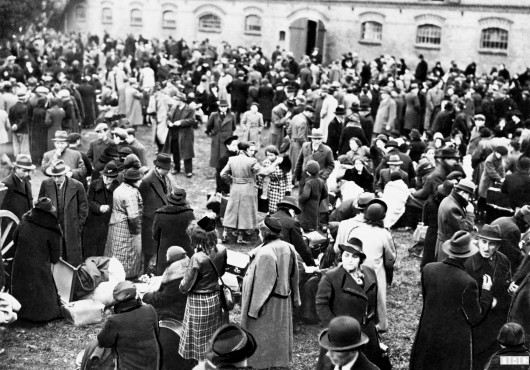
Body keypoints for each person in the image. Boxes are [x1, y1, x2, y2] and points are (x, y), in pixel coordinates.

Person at [410, 231, 494, 370]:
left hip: (427, 332)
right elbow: (475, 318)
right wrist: (486, 293)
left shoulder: (428, 269)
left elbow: (428, 299)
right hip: (452, 341)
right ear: (468, 255)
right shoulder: (468, 282)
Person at [240, 216, 301, 369]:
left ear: (264, 233)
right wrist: (296, 297)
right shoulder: (287, 247)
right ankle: (276, 362)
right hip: (282, 300)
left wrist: (253, 310)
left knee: (262, 334)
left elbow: (264, 286)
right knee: (278, 334)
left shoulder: (266, 253)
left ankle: (262, 363)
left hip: (267, 304)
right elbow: (295, 274)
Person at [316, 238, 386, 369]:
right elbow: (321, 305)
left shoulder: (369, 272)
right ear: (341, 256)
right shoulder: (331, 277)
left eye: (354, 256)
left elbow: (373, 299)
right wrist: (334, 329)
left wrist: (374, 322)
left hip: (367, 331)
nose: (349, 259)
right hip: (343, 334)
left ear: (360, 259)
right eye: (346, 255)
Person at [179, 217, 228, 363]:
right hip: (215, 297)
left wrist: (181, 284)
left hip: (198, 301)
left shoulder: (197, 257)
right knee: (211, 335)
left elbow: (185, 285)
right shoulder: (222, 250)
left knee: (197, 338)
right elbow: (223, 271)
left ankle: (201, 364)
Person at [464, 224, 512, 369]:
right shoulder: (468, 263)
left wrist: (508, 290)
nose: (486, 248)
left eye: (491, 244)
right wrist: (485, 297)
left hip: (497, 320)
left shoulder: (503, 260)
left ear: (497, 246)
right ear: (477, 241)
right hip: (477, 322)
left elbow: (505, 284)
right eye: (483, 242)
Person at [142, 246, 195, 370]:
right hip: (183, 305)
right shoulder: (185, 266)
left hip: (176, 311)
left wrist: (147, 296)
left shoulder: (177, 276)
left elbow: (163, 298)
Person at [10, 198, 62, 322]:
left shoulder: (24, 221)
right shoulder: (53, 228)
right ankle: (41, 316)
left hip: (20, 267)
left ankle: (21, 312)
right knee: (42, 286)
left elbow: (14, 239)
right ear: (50, 211)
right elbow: (55, 258)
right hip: (39, 270)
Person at [349, 200, 396, 332]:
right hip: (374, 269)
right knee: (379, 294)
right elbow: (390, 258)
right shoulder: (384, 234)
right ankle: (381, 324)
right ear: (383, 217)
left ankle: (354, 322)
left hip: (356, 268)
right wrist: (389, 271)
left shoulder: (356, 230)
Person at [97, 281, 160, 370]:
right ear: (135, 296)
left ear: (116, 301)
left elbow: (103, 342)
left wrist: (108, 320)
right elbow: (156, 332)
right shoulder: (150, 309)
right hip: (153, 366)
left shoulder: (115, 320)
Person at [39, 160, 88, 266]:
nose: (56, 179)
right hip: (52, 225)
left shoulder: (77, 185)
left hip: (71, 226)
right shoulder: (46, 184)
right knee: (54, 253)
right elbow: (40, 204)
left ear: (65, 174)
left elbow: (83, 206)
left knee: (71, 255)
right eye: (54, 176)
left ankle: (72, 277)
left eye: (59, 176)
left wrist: (78, 224)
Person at [105, 168, 144, 279]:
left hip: (115, 223)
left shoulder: (119, 188)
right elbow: (133, 217)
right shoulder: (130, 194)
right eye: (139, 180)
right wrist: (137, 234)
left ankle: (112, 273)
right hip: (125, 227)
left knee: (114, 250)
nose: (140, 181)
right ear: (133, 181)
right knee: (126, 253)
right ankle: (127, 276)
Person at [221, 141, 261, 244]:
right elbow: (260, 172)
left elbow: (223, 174)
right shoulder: (252, 161)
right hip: (247, 188)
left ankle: (224, 234)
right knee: (244, 212)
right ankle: (240, 237)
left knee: (231, 210)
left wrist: (231, 181)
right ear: (247, 150)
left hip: (235, 187)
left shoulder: (232, 159)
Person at [139, 153, 173, 272]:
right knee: (149, 248)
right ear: (159, 168)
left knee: (159, 245)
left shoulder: (163, 177)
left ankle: (155, 268)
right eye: (166, 169)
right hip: (150, 219)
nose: (168, 172)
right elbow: (140, 199)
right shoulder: (147, 180)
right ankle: (146, 270)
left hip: (160, 218)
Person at [153, 187, 195, 275]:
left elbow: (155, 235)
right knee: (188, 273)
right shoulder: (189, 213)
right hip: (186, 249)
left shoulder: (160, 214)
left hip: (165, 250)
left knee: (163, 275)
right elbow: (193, 233)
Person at [83, 162, 119, 258]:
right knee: (89, 247)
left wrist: (109, 207)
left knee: (101, 247)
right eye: (105, 176)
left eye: (110, 177)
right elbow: (88, 201)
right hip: (93, 221)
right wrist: (99, 207)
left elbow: (117, 203)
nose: (107, 179)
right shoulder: (94, 184)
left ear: (114, 177)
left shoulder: (117, 187)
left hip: (107, 222)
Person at [435, 178, 476, 262]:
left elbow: (457, 223)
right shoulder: (452, 207)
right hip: (448, 248)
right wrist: (470, 213)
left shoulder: (449, 200)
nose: (469, 199)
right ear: (463, 193)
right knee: (448, 271)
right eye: (469, 195)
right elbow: (464, 231)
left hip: (444, 243)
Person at [272, 195, 315, 267]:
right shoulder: (293, 223)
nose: (295, 215)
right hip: (282, 259)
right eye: (295, 213)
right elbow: (301, 247)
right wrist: (311, 263)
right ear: (291, 210)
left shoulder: (269, 218)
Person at [163, 92, 196, 177]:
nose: (174, 101)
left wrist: (181, 122)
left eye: (176, 100)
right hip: (174, 133)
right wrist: (169, 122)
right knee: (175, 151)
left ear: (181, 100)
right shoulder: (174, 108)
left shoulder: (190, 109)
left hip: (185, 134)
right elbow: (168, 118)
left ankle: (188, 170)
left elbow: (192, 120)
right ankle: (176, 168)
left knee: (187, 152)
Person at [258, 145, 292, 214]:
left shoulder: (282, 161)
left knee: (281, 205)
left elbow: (288, 176)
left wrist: (288, 190)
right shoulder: (265, 162)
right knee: (271, 205)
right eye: (268, 155)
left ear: (276, 154)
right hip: (271, 185)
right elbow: (263, 176)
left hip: (281, 186)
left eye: (271, 155)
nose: (270, 157)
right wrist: (261, 188)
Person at [0, 154, 34, 220]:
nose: (27, 174)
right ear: (16, 168)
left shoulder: (26, 180)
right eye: (24, 171)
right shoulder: (7, 184)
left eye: (28, 171)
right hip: (14, 225)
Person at [298, 160, 328, 232]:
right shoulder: (321, 181)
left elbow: (305, 195)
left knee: (304, 226)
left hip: (306, 208)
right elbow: (325, 194)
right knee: (313, 226)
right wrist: (318, 200)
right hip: (315, 206)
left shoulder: (309, 182)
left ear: (308, 172)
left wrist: (300, 200)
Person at [207, 100, 236, 169]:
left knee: (226, 153)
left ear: (227, 107)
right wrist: (213, 132)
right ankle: (218, 169)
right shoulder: (214, 115)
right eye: (221, 107)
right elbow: (209, 126)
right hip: (217, 137)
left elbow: (233, 127)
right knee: (216, 154)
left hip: (227, 137)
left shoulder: (232, 115)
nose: (223, 108)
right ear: (219, 107)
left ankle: (227, 168)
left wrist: (229, 133)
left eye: (225, 107)